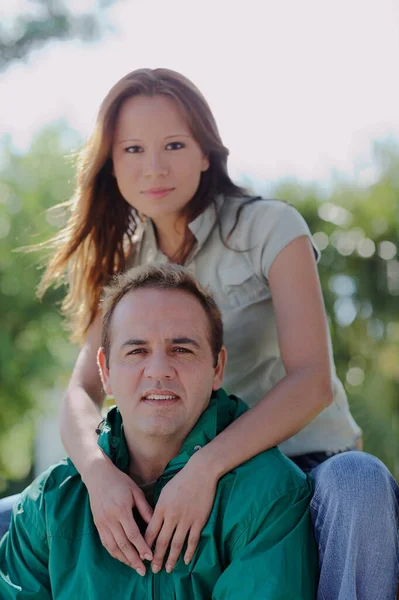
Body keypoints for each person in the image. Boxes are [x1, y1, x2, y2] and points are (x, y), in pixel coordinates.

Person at [1, 67, 397, 599]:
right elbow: (81, 391)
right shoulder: (122, 258)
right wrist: (98, 476)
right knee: (16, 515)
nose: (155, 166)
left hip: (296, 464)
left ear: (207, 152)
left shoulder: (271, 228)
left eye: (174, 144)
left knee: (360, 483)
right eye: (133, 150)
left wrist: (206, 467)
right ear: (110, 165)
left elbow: (313, 382)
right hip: (174, 468)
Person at [0, 264, 318, 599]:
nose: (159, 371)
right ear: (105, 371)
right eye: (137, 351)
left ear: (217, 368)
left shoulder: (268, 495)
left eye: (182, 350)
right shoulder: (50, 504)